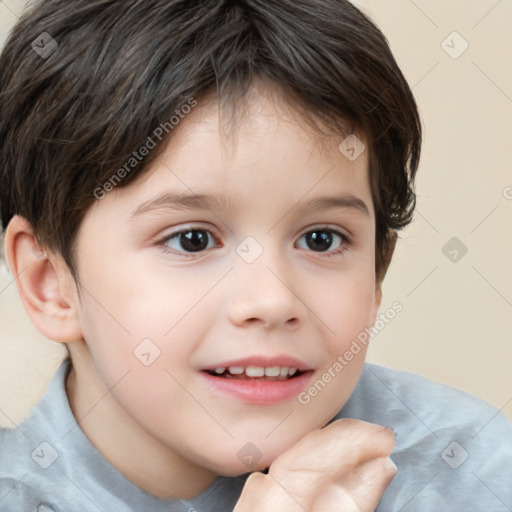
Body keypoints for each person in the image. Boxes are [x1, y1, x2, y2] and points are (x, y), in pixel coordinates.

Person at [0, 0, 510, 510]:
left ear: (378, 271)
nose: (271, 300)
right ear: (50, 282)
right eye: (192, 239)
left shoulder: (472, 472)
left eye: (321, 239)